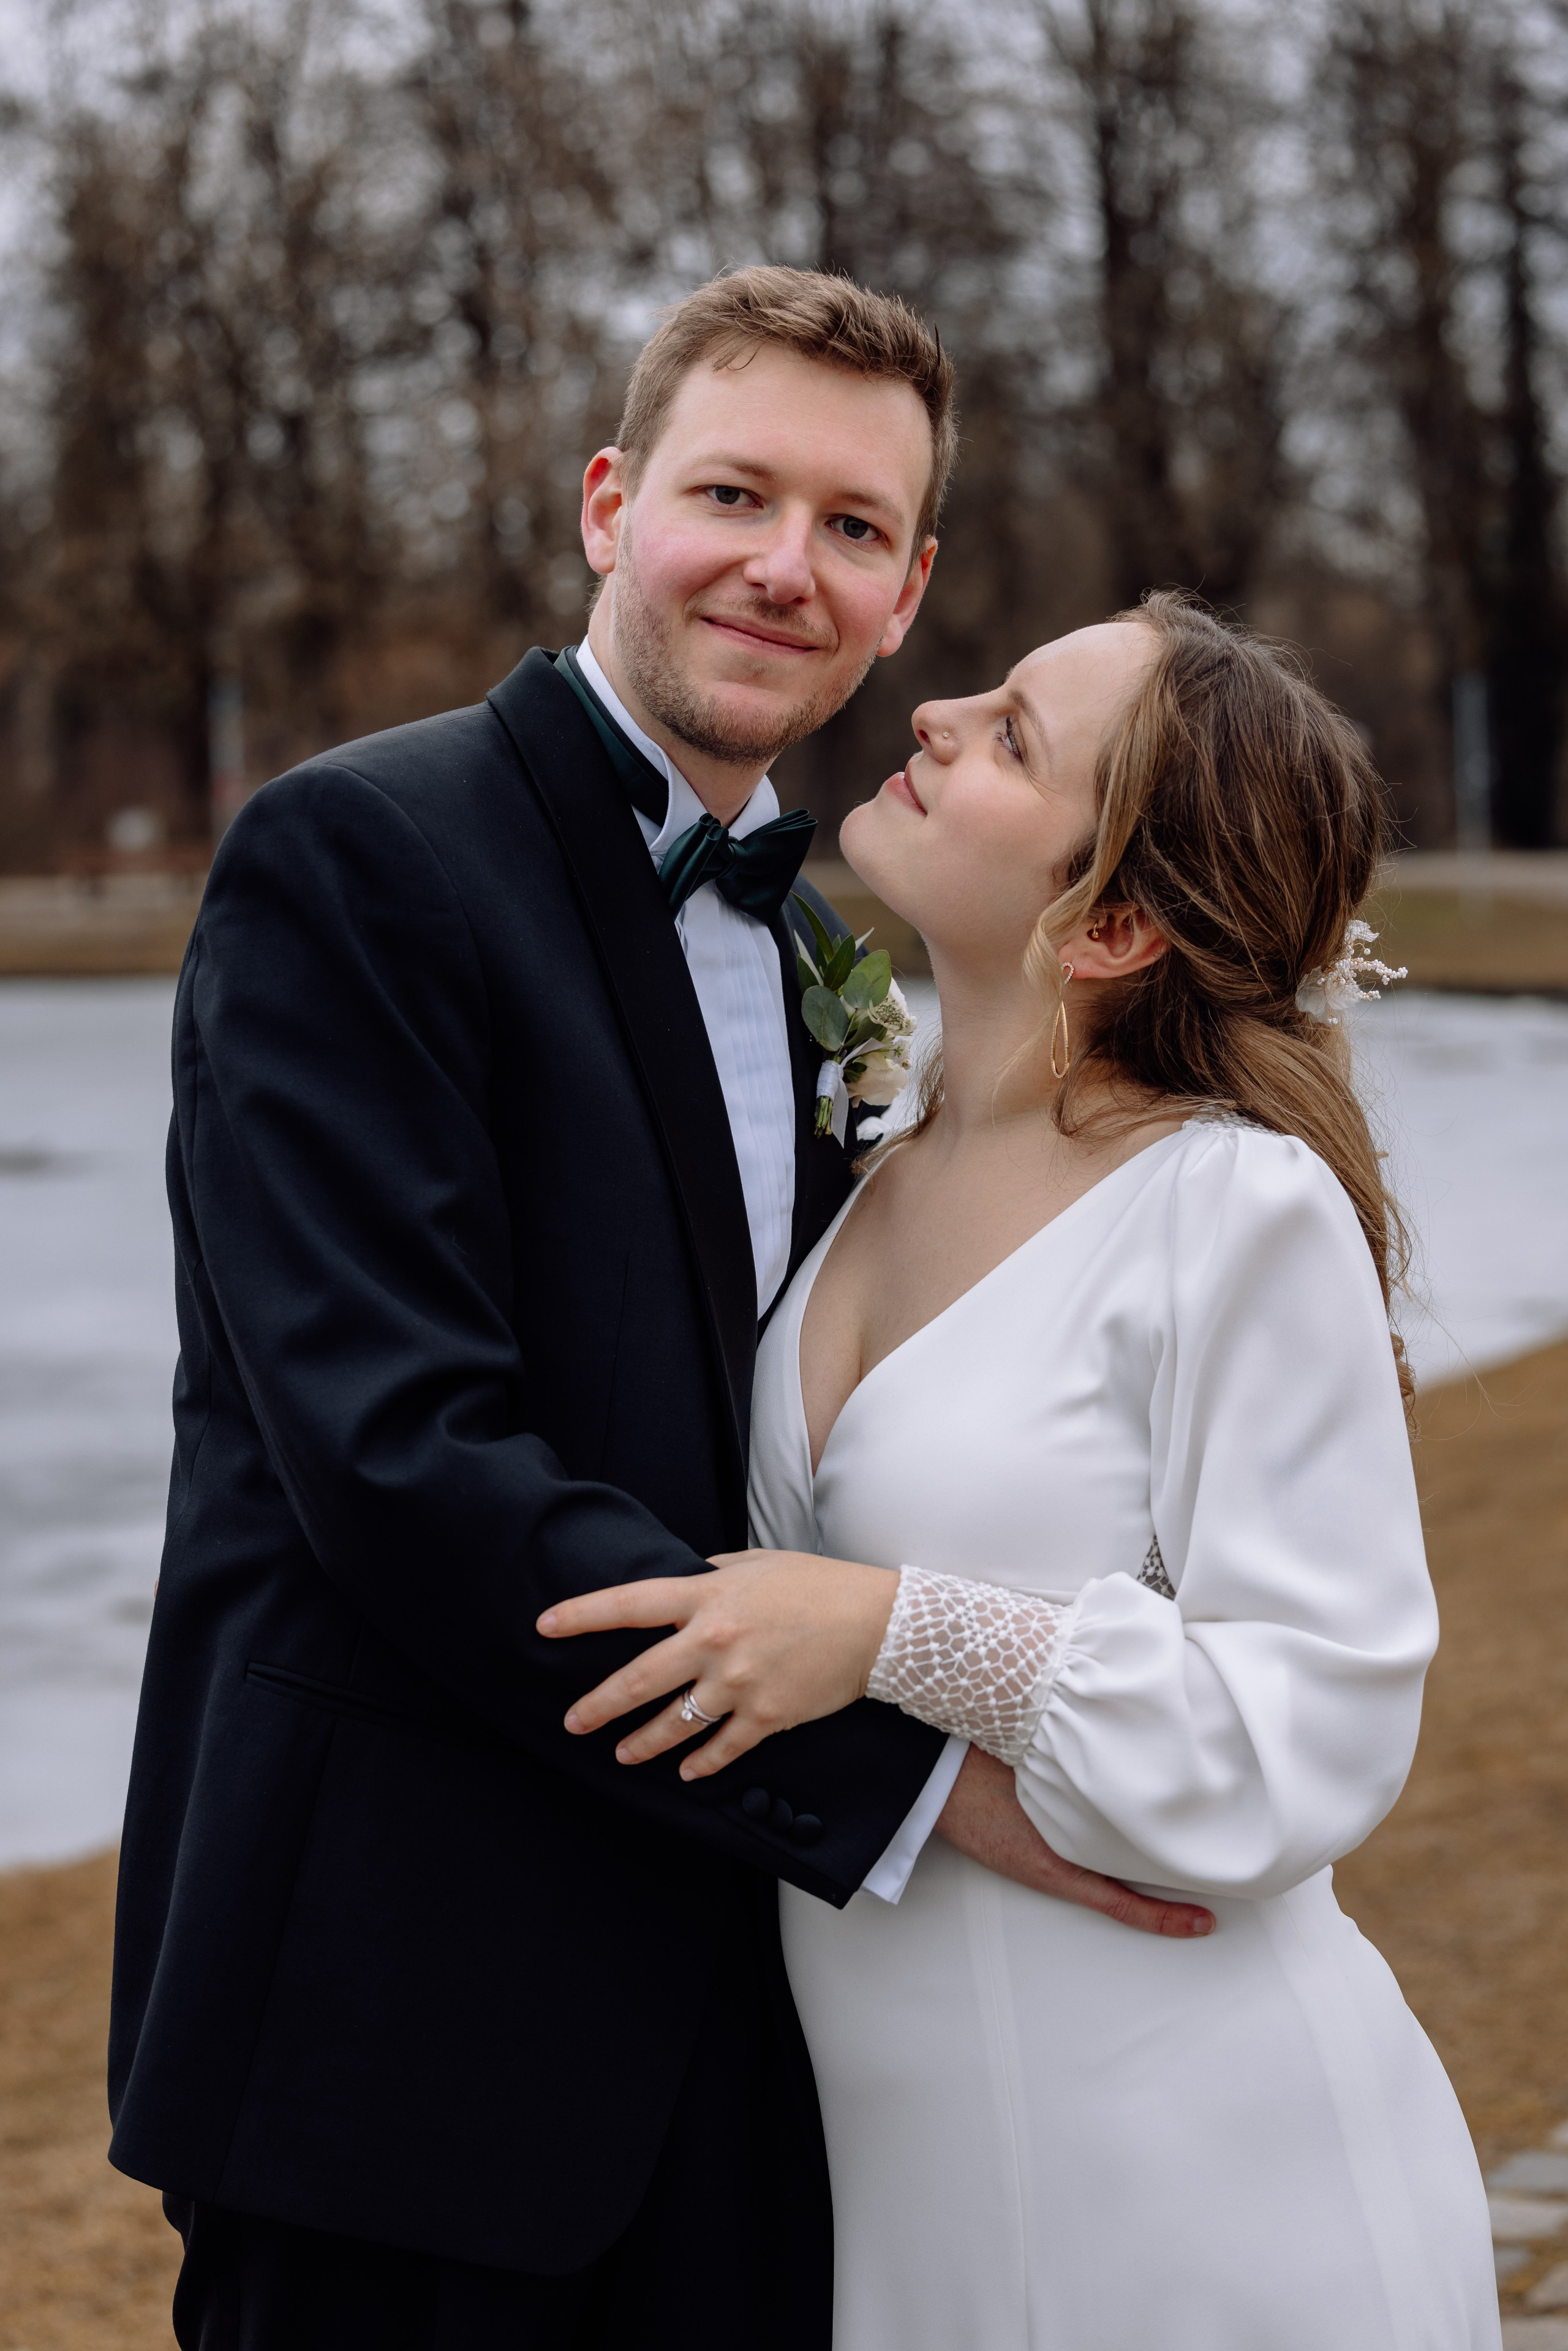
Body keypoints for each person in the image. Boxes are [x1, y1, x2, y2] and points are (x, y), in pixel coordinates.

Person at [107, 268, 1208, 2351]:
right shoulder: (355, 857)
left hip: (744, 2039)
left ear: (909, 593)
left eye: (856, 528)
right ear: (613, 505)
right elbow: (402, 1461)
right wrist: (920, 1788)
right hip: (396, 2023)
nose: (787, 567)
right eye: (735, 493)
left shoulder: (841, 947)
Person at [544, 595, 1503, 2349]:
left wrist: (898, 1628)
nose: (933, 713)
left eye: (1012, 736)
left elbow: (1311, 1732)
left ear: (1114, 920)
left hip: (1205, 2194)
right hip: (911, 2218)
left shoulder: (1233, 1210)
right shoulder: (862, 1176)